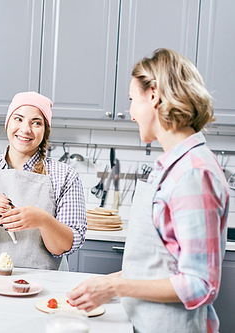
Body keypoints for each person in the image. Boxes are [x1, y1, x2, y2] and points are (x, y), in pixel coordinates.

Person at [67, 49, 230, 332]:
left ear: (153, 95)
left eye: (132, 100)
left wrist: (115, 286)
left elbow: (200, 284)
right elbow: (160, 264)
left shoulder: (193, 173)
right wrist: (102, 285)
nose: (130, 113)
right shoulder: (171, 165)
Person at [0, 91, 87, 270]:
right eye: (18, 119)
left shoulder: (65, 176)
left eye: (36, 123)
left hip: (40, 284)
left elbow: (65, 246)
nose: (25, 129)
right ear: (8, 123)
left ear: (45, 131)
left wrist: (44, 220)